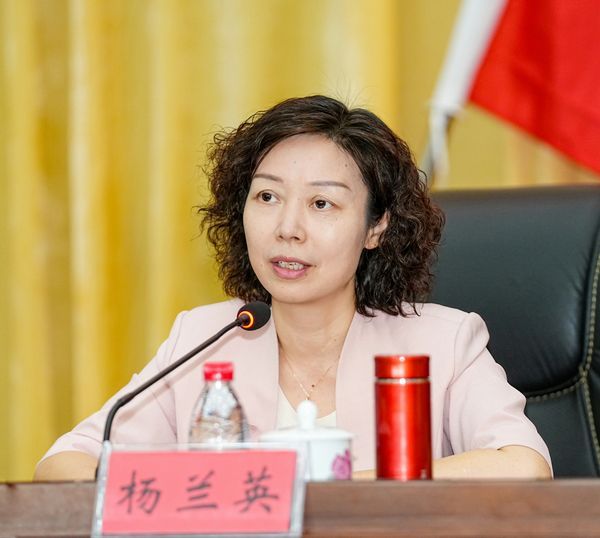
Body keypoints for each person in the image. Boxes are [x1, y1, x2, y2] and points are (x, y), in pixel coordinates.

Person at [35, 95, 552, 481]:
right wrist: (206, 490)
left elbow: (524, 466)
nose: (287, 228)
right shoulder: (204, 337)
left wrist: (331, 491)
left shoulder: (444, 343)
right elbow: (64, 464)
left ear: (376, 227)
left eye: (322, 204)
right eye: (267, 197)